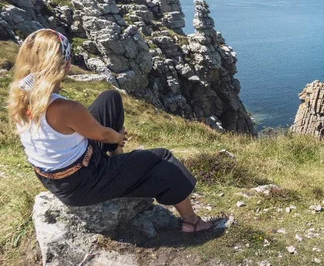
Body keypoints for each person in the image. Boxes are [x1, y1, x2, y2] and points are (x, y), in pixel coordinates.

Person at [7, 29, 212, 233]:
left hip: (54, 176)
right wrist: (118, 138)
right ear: (65, 64)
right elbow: (104, 135)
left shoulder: (19, 94)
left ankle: (117, 158)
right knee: (163, 158)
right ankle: (191, 222)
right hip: (83, 181)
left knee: (109, 99)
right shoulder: (65, 108)